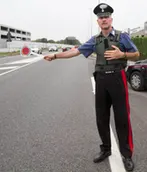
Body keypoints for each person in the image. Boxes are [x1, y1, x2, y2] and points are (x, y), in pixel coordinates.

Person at [44, 3, 140, 171]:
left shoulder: (122, 36)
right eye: (100, 18)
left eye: (106, 17)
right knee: (101, 118)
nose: (104, 20)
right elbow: (76, 51)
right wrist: (55, 55)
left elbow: (137, 54)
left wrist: (122, 54)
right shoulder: (94, 40)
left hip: (118, 78)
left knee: (122, 118)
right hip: (101, 80)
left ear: (111, 19)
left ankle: (127, 155)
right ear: (98, 21)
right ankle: (106, 149)